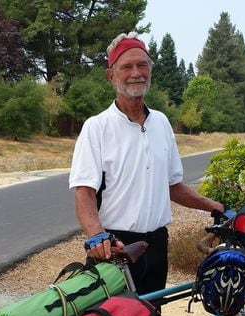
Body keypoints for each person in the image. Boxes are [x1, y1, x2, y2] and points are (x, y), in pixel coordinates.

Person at [68, 31, 225, 295]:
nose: (136, 73)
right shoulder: (97, 127)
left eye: (142, 65)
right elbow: (84, 191)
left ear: (150, 71)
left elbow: (173, 185)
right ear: (111, 76)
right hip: (115, 246)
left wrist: (215, 207)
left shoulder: (162, 123)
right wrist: (96, 235)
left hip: (157, 244)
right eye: (126, 67)